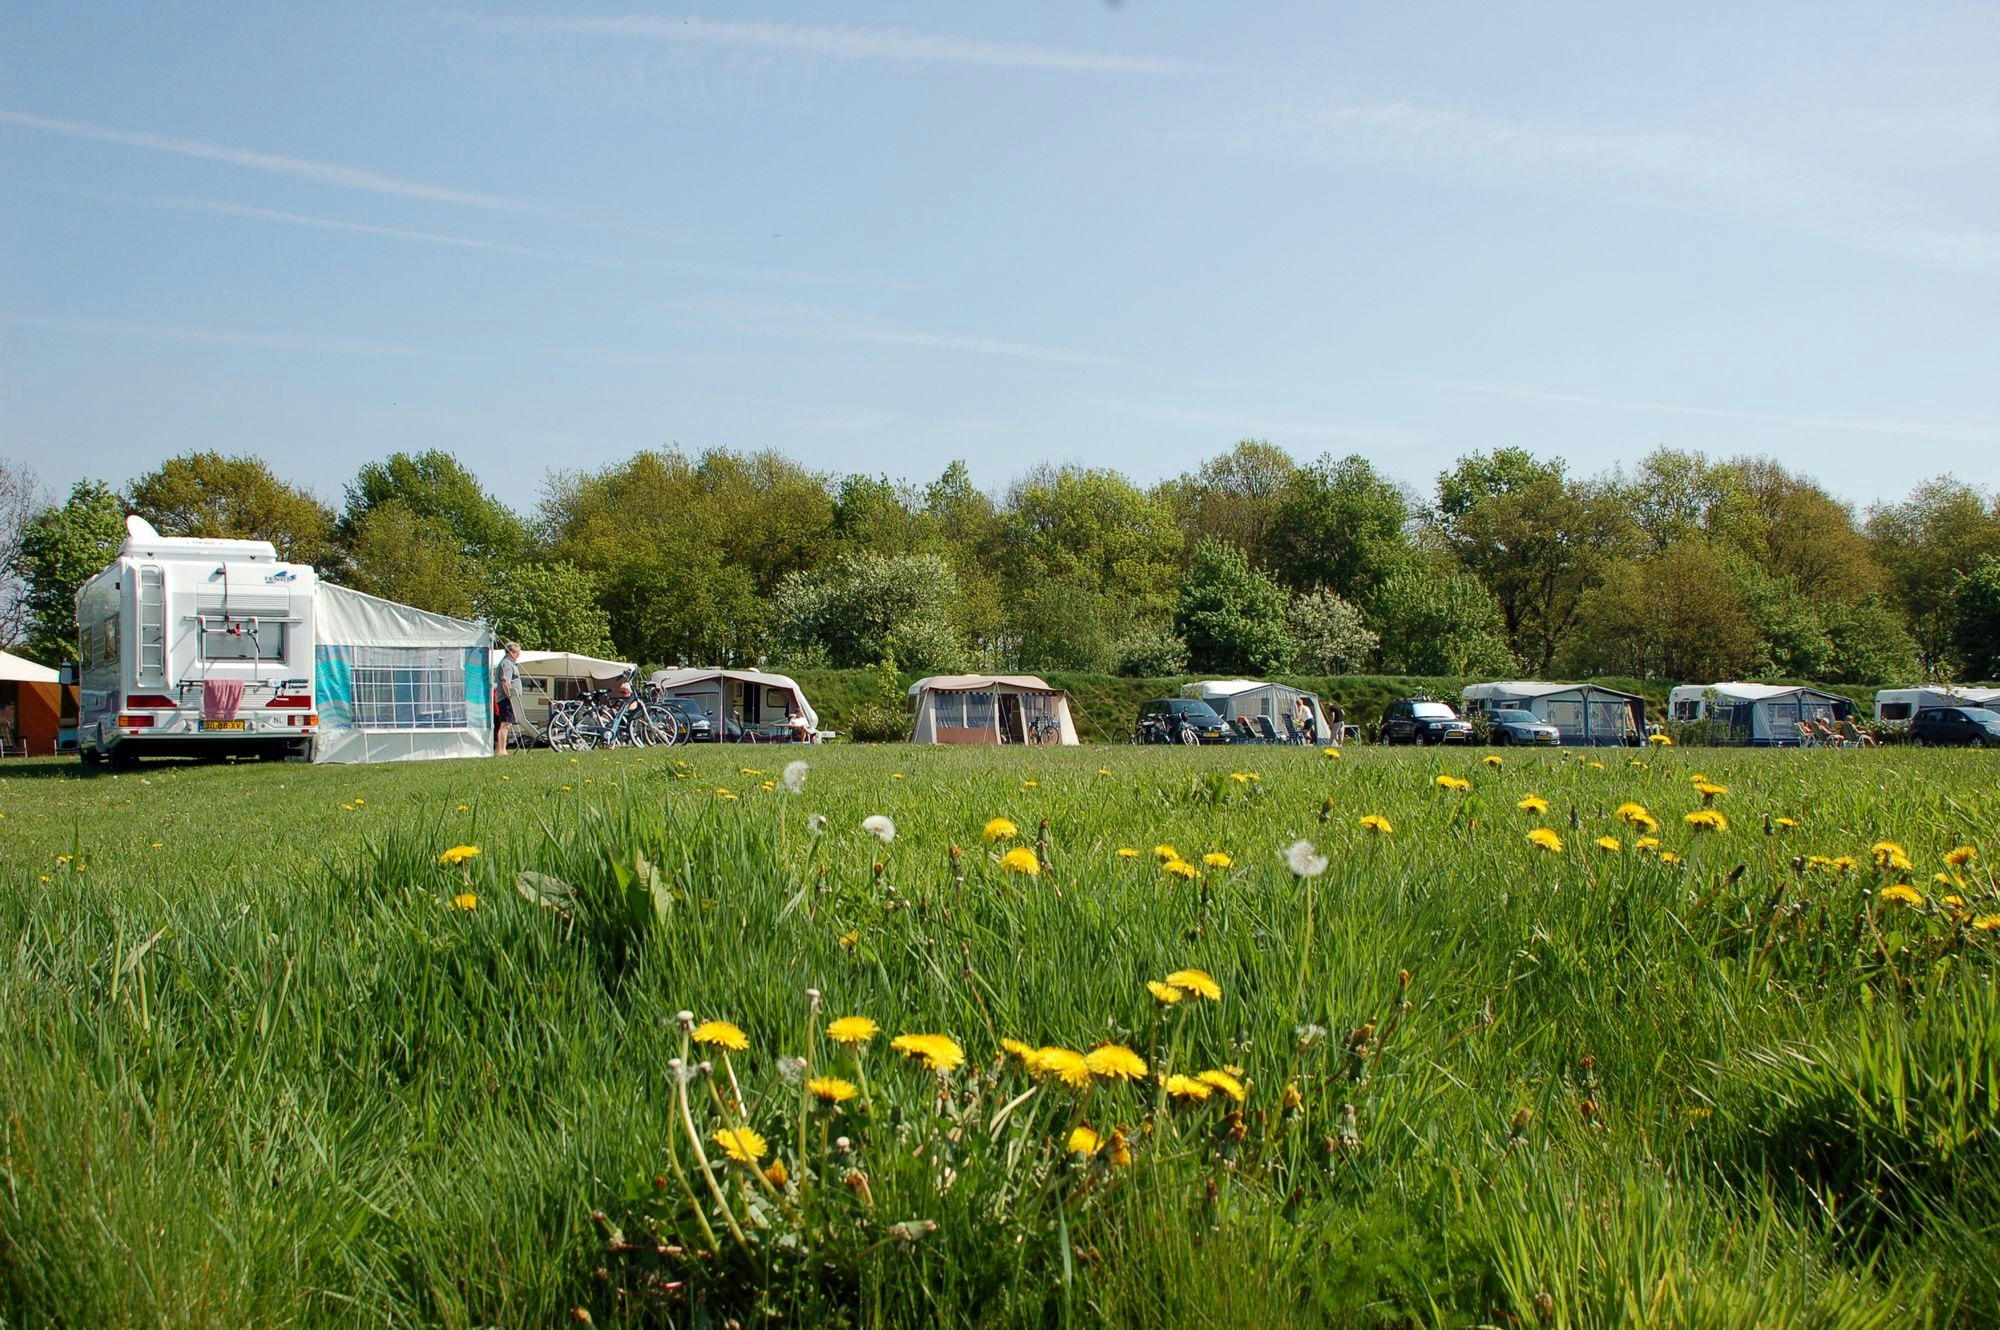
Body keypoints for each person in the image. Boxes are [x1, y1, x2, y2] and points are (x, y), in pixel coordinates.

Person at [495, 641, 522, 756]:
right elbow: (506, 682)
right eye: (517, 652)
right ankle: (501, 751)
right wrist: (510, 696)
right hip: (507, 698)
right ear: (511, 652)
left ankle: (501, 749)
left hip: (509, 698)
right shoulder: (507, 663)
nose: (519, 655)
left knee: (507, 724)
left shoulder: (510, 663)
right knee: (505, 724)